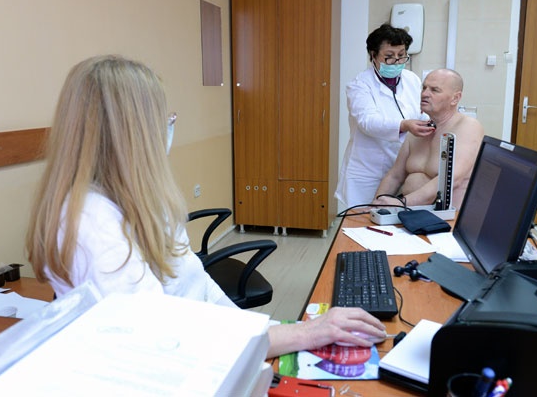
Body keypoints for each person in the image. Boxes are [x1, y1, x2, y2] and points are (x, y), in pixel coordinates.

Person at [25, 55, 386, 359]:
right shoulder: (91, 222)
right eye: (163, 119)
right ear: (133, 133)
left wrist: (276, 331)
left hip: (210, 343)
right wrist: (303, 334)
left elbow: (200, 288)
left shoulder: (144, 199)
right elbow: (161, 340)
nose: (169, 127)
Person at [335, 23, 435, 209]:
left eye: (401, 55)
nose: (396, 62)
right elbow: (368, 122)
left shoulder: (411, 80)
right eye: (389, 57)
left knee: (395, 219)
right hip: (368, 171)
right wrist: (404, 125)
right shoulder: (360, 85)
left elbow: (420, 114)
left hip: (402, 168)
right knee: (364, 219)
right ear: (373, 55)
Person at [373, 69, 484, 209]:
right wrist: (375, 205)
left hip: (446, 218)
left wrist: (402, 203)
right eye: (424, 88)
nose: (425, 94)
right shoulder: (418, 130)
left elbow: (451, 179)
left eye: (434, 90)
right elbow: (395, 176)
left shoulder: (468, 126)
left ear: (455, 98)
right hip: (410, 212)